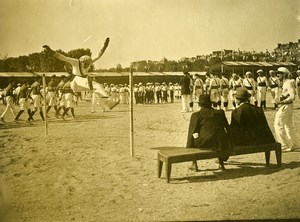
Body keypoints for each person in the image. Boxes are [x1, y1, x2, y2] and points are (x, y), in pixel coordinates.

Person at [43, 38, 109, 91]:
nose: (86, 66)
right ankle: (89, 85)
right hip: (75, 80)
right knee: (78, 85)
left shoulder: (89, 62)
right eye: (85, 64)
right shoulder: (75, 62)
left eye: (87, 64)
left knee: (97, 86)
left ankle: (108, 101)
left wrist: (104, 46)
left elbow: (98, 56)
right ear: (81, 62)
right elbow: (63, 58)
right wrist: (50, 51)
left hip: (83, 80)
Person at [186, 94, 231, 169]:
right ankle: (221, 164)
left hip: (205, 142)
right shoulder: (220, 113)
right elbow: (227, 128)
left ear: (200, 105)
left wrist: (188, 148)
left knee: (194, 135)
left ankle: (194, 164)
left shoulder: (196, 115)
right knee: (218, 134)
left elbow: (191, 132)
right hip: (220, 143)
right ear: (210, 103)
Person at [274, 67, 299, 152]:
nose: (277, 75)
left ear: (284, 74)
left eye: (279, 73)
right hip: (286, 106)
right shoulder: (285, 82)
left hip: (286, 106)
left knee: (278, 125)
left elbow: (292, 96)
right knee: (288, 126)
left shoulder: (288, 82)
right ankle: (295, 145)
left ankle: (284, 145)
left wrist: (281, 102)